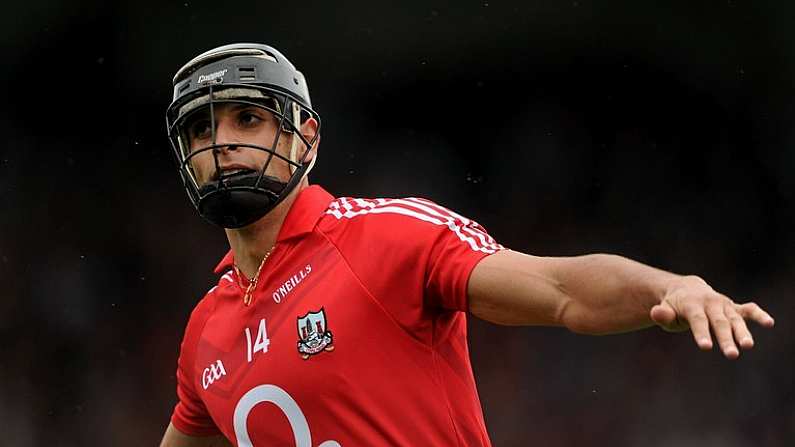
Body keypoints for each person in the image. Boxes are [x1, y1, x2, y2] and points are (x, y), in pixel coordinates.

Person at [159, 43, 775, 447]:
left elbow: (559, 291)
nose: (220, 145)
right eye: (200, 129)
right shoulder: (205, 331)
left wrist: (669, 287)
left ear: (306, 139)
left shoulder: (386, 235)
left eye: (247, 119)